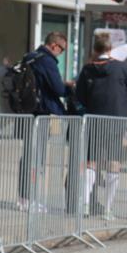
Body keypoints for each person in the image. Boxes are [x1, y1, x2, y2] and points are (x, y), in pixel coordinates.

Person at [75, 35, 127, 219]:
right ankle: (108, 209)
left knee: (91, 162)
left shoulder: (87, 69)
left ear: (95, 50)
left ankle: (85, 204)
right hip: (116, 120)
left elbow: (80, 96)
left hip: (94, 119)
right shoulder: (121, 67)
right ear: (110, 50)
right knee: (114, 162)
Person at [18, 31, 74, 211]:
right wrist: (69, 87)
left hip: (27, 110)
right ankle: (29, 200)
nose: (61, 53)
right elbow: (58, 89)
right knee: (37, 156)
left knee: (28, 154)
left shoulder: (30, 57)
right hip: (41, 112)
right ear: (54, 45)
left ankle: (23, 198)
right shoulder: (47, 61)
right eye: (62, 49)